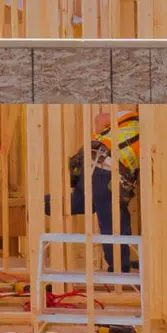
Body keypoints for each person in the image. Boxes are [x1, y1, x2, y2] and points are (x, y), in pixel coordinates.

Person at [45, 110, 140, 272]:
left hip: (94, 168)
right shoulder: (134, 118)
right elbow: (101, 118)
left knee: (80, 204)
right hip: (105, 172)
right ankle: (119, 270)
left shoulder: (135, 124)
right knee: (114, 221)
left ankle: (42, 204)